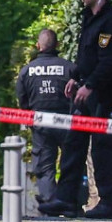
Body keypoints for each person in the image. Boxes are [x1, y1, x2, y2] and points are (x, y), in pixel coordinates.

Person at [40, 0, 112, 220]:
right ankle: (66, 199)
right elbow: (86, 57)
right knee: (73, 144)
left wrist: (89, 85)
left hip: (103, 96)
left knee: (103, 148)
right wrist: (75, 78)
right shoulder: (90, 19)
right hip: (84, 93)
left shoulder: (111, 24)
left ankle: (108, 203)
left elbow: (109, 63)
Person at [16, 29, 76, 204]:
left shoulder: (27, 71)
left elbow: (22, 98)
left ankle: (50, 203)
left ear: (37, 46)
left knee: (44, 165)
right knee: (71, 162)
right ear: (57, 45)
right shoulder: (70, 68)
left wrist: (29, 117)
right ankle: (71, 203)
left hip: (41, 125)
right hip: (68, 123)